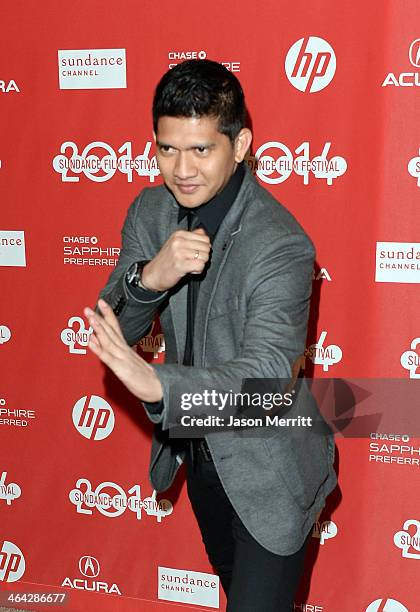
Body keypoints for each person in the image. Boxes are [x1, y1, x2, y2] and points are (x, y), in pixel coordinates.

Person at [84, 59, 337, 611]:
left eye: (201, 149)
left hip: (269, 468)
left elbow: (267, 381)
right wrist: (153, 276)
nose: (182, 169)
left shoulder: (280, 244)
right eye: (167, 149)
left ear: (240, 143)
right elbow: (115, 323)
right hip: (200, 462)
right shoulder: (151, 212)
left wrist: (158, 387)